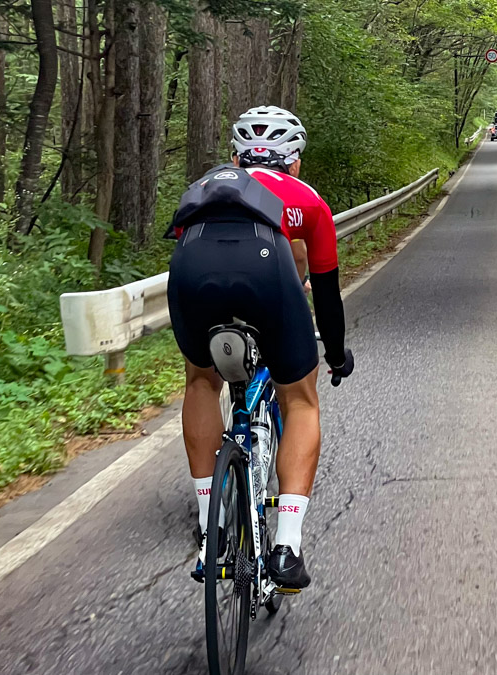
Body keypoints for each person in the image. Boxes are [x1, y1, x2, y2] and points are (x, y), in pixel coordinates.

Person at [166, 106, 353, 589]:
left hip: (192, 269)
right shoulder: (306, 200)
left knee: (201, 382)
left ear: (235, 156)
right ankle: (287, 548)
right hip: (269, 277)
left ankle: (211, 532)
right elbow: (327, 295)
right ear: (293, 160)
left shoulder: (207, 191)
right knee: (301, 399)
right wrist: (335, 354)